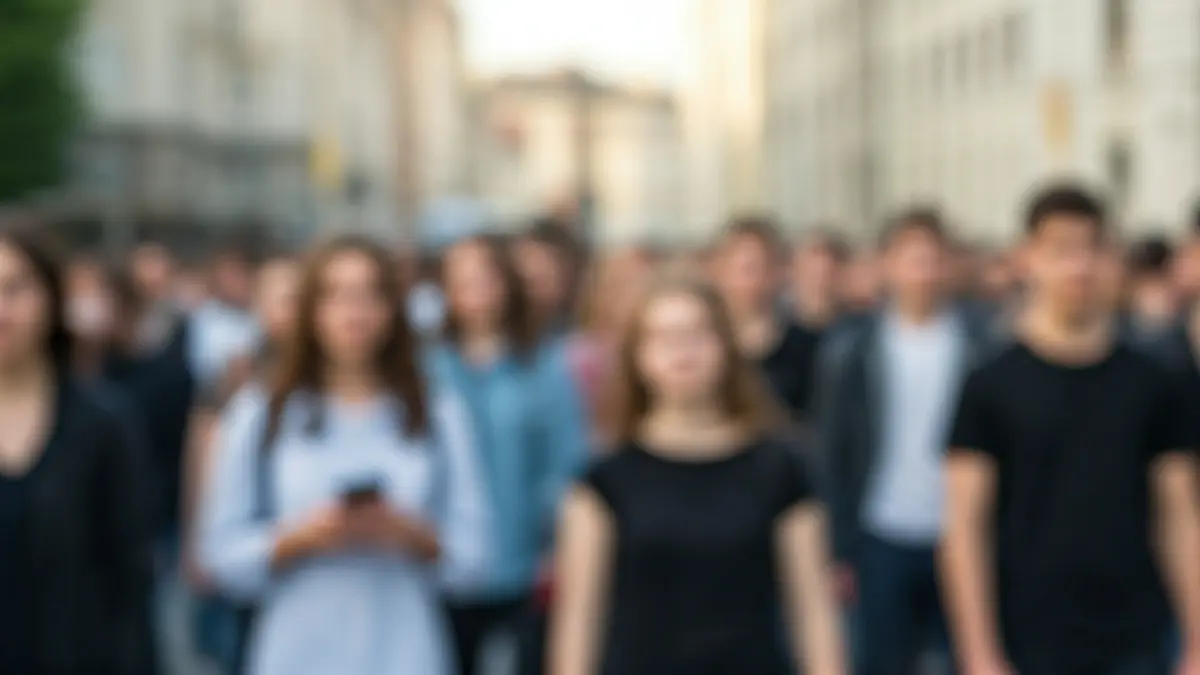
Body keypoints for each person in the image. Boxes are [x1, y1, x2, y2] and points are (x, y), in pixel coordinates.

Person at [198, 235, 487, 675]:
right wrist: (296, 538)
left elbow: (476, 555)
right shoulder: (263, 411)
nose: (355, 313)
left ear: (394, 309)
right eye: (335, 296)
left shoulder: (436, 411)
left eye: (371, 295)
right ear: (311, 310)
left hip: (403, 644)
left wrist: (412, 535)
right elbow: (222, 553)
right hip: (299, 644)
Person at [941, 184, 1200, 675]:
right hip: (1026, 639)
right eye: (1061, 250)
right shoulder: (990, 384)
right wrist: (979, 654)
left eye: (1094, 248)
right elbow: (963, 527)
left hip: (1136, 636)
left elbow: (1181, 515)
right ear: (1028, 258)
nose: (1079, 266)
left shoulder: (1156, 381)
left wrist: (1196, 641)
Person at [550, 273, 844, 675]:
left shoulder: (781, 469)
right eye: (662, 337)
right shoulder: (604, 480)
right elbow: (579, 622)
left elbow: (813, 612)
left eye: (697, 334)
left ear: (726, 345)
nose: (681, 351)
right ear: (637, 356)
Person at [816, 209, 992, 675]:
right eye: (912, 259)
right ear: (887, 265)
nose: (923, 272)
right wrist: (837, 547)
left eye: (934, 260)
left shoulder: (982, 344)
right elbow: (832, 453)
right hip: (881, 530)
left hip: (957, 531)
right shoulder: (851, 351)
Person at [428, 234, 588, 675]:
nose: (476, 293)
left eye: (486, 279)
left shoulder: (543, 364)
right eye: (462, 281)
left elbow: (566, 462)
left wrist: (553, 542)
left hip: (520, 562)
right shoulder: (428, 367)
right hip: (443, 564)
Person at [0, 224, 155, 673]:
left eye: (16, 289)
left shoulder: (103, 422)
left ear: (51, 299)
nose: (2, 310)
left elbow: (130, 582)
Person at [711, 216, 820, 421]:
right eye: (745, 269)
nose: (755, 281)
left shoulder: (811, 347)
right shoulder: (707, 345)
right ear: (720, 271)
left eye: (764, 268)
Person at [186, 243, 260, 395]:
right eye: (227, 275)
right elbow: (200, 366)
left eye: (238, 274)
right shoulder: (203, 317)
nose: (232, 281)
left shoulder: (258, 315)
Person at [790, 230, 848, 333]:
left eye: (828, 276)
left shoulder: (859, 331)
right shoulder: (775, 330)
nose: (820, 285)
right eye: (814, 276)